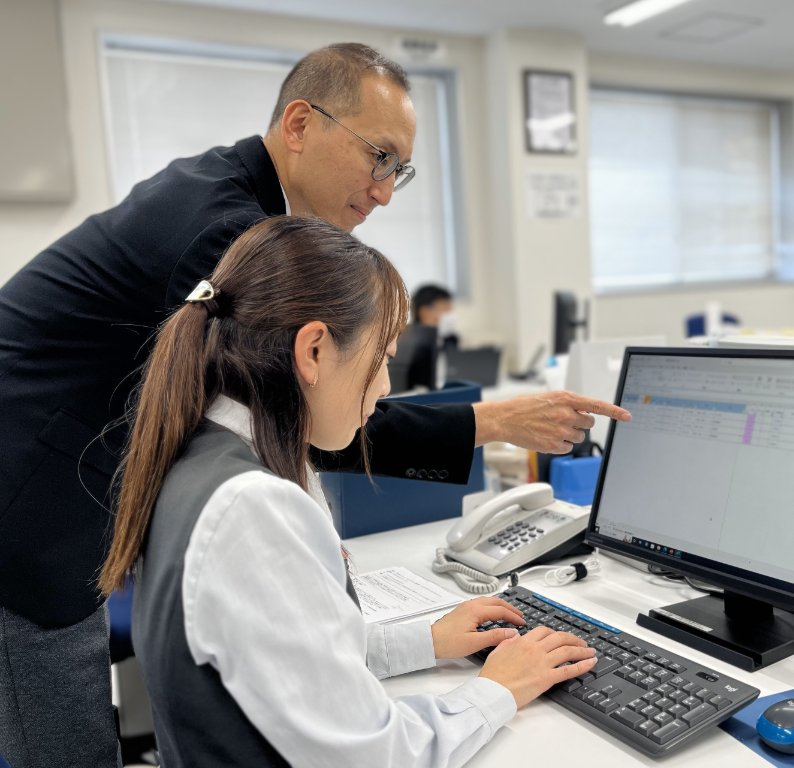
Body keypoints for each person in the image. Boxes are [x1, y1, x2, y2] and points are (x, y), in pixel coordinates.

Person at [0, 42, 628, 765]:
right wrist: (494, 424)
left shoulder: (230, 203)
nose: (385, 192)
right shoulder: (224, 232)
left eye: (400, 170)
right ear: (300, 124)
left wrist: (410, 634)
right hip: (30, 499)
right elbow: (315, 408)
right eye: (379, 157)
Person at [100, 215, 597, 767]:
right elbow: (376, 756)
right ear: (313, 350)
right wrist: (499, 689)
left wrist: (426, 640)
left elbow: (293, 664)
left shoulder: (201, 449)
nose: (384, 387)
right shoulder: (252, 508)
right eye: (382, 359)